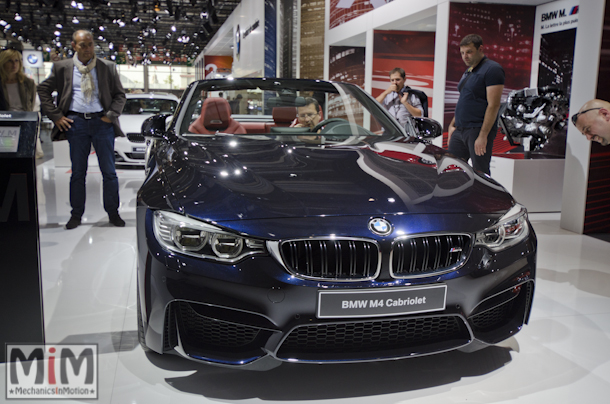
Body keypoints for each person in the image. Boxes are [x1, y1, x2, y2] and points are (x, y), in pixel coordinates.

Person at [38, 30, 127, 230]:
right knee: (78, 172)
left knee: (109, 172)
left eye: (89, 44)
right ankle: (76, 214)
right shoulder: (62, 67)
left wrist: (110, 116)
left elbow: (120, 96)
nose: (87, 48)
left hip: (102, 124)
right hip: (75, 123)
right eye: (82, 45)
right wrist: (56, 116)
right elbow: (43, 89)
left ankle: (113, 213)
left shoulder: (107, 67)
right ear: (74, 46)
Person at [447, 34, 504, 175]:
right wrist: (453, 124)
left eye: (469, 52)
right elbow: (464, 99)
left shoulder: (492, 69)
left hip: (477, 129)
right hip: (460, 130)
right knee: (451, 169)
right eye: (462, 53)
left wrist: (483, 135)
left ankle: (485, 197)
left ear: (481, 49)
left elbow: (494, 105)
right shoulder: (469, 71)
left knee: (481, 172)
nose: (465, 56)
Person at [0, 48, 44, 158]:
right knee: (7, 155)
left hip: (24, 121)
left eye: (17, 60)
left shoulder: (28, 83)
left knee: (25, 156)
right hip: (5, 123)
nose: (14, 64)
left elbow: (31, 103)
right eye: (10, 61)